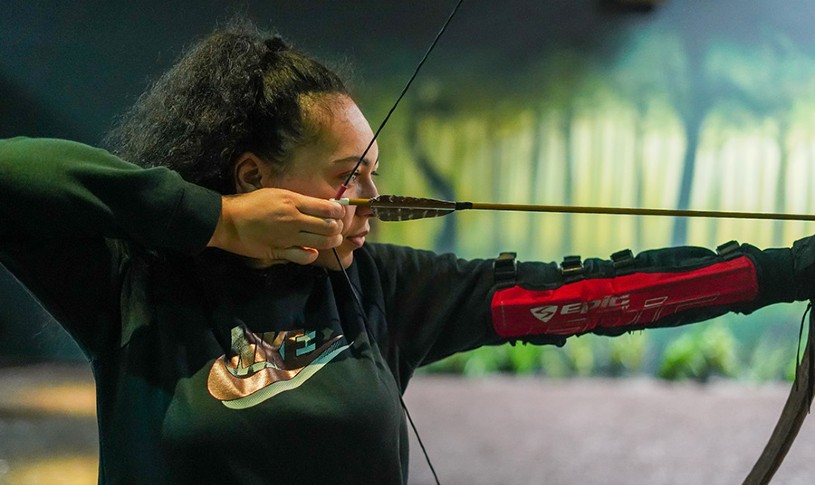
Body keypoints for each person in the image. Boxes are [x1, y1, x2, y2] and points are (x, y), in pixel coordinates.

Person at [1, 19, 814, 485]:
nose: (369, 208)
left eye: (375, 180)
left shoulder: (383, 290)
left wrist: (787, 271)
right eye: (346, 180)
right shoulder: (134, 284)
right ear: (258, 177)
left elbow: (595, 292)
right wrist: (212, 219)